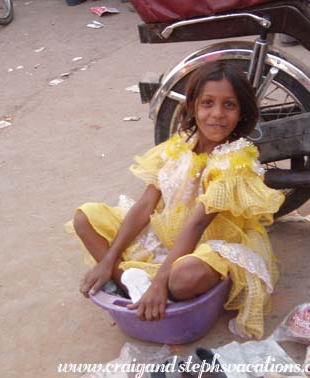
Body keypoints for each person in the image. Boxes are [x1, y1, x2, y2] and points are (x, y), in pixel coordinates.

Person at [71, 61, 285, 339]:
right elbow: (146, 205)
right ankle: (129, 282)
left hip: (211, 244)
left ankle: (141, 283)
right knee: (84, 218)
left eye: (229, 105)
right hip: (167, 235)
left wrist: (160, 281)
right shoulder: (178, 145)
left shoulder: (236, 160)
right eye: (208, 103)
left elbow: (197, 226)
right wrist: (106, 259)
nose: (217, 114)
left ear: (241, 111)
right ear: (193, 106)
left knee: (183, 278)